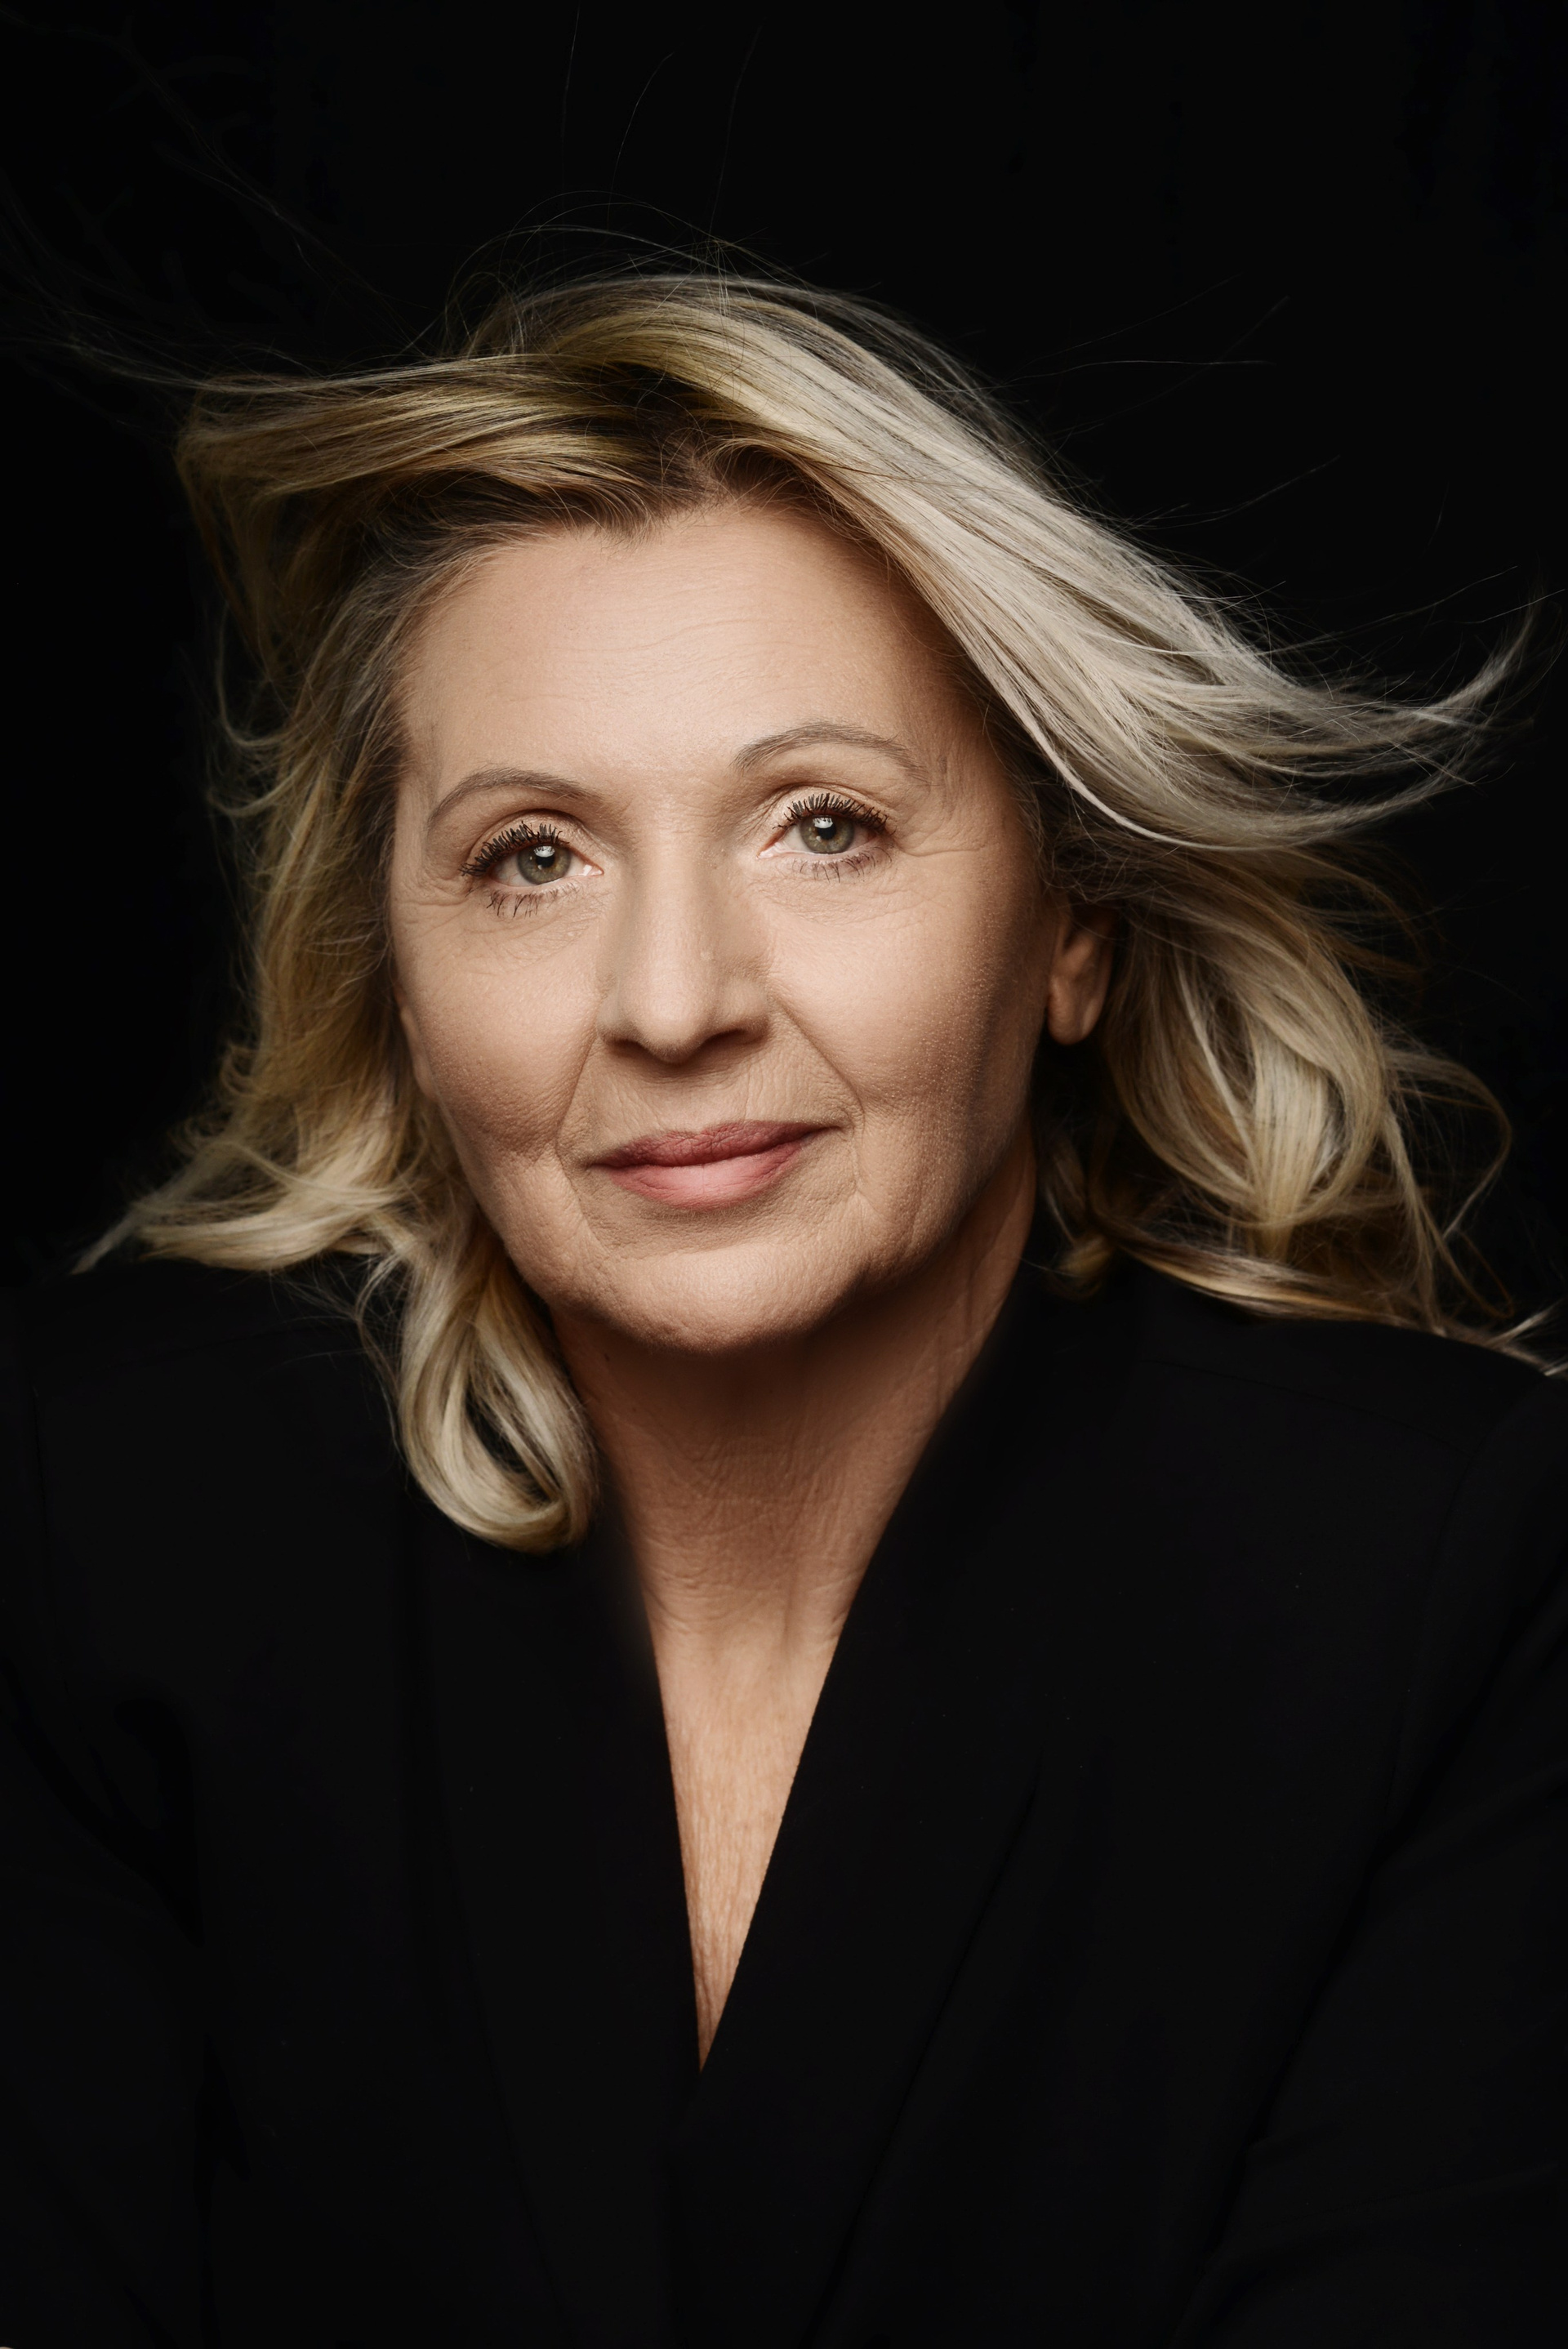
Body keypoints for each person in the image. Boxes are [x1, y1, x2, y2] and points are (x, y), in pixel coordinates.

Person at [2, 268, 1564, 2349]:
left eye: (825, 827)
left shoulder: (1441, 1572)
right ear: (396, 975)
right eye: (532, 857)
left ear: (1072, 923)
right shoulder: (106, 1517)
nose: (674, 1002)